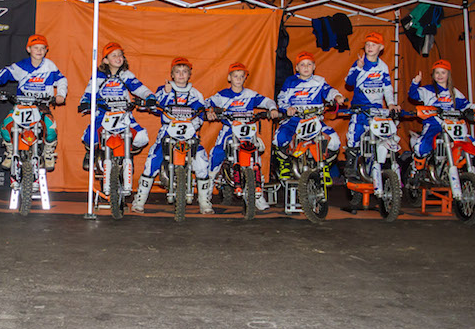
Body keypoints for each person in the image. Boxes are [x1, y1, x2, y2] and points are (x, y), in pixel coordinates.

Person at [131, 57, 213, 214]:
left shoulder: (196, 94)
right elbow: (154, 106)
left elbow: (201, 114)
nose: (181, 75)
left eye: (184, 72)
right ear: (172, 74)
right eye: (177, 72)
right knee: (153, 159)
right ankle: (140, 199)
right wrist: (163, 94)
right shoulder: (164, 90)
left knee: (202, 160)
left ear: (189, 75)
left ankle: (204, 201)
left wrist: (196, 123)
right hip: (168, 131)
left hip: (189, 133)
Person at [0, 34, 67, 171]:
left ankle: (48, 152)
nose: (39, 51)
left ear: (46, 50)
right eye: (35, 48)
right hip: (21, 105)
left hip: (41, 106)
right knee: (6, 125)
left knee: (51, 128)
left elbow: (61, 80)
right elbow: (5, 72)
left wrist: (60, 94)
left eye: (42, 48)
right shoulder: (21, 66)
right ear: (28, 49)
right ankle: (10, 150)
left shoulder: (50, 66)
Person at [207, 61, 279, 211]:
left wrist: (272, 109)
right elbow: (207, 102)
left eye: (241, 76)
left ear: (245, 77)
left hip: (248, 131)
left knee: (256, 156)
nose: (238, 79)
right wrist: (210, 111)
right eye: (235, 76)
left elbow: (268, 101)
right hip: (229, 129)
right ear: (229, 78)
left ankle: (257, 195)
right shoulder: (223, 95)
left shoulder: (250, 94)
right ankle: (207, 189)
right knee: (217, 153)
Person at [77, 41, 155, 171]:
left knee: (142, 137)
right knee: (90, 137)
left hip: (124, 114)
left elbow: (139, 88)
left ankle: (128, 152)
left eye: (120, 55)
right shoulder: (99, 75)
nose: (118, 58)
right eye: (113, 55)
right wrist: (85, 101)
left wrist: (149, 96)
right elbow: (90, 91)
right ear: (105, 60)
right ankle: (93, 152)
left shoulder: (126, 74)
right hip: (103, 114)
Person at [274, 51, 344, 178]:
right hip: (294, 120)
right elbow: (281, 98)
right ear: (296, 68)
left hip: (315, 120)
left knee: (334, 141)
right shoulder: (290, 81)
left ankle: (324, 166)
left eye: (309, 64)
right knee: (279, 137)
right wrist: (287, 108)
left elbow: (329, 91)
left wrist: (337, 96)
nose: (306, 67)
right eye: (302, 64)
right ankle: (285, 165)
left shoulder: (319, 81)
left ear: (314, 66)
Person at [343, 32, 396, 179]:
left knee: (380, 137)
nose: (370, 47)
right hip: (360, 108)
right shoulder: (359, 63)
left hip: (376, 110)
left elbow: (387, 87)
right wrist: (358, 68)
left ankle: (379, 166)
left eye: (374, 44)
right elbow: (348, 82)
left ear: (381, 47)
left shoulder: (383, 67)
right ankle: (351, 165)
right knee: (354, 134)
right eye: (367, 44)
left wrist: (391, 104)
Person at [408, 59, 475, 161]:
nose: (440, 75)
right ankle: (416, 161)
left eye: (443, 72)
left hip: (452, 125)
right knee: (422, 149)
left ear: (448, 74)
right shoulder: (428, 90)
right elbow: (413, 95)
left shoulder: (454, 92)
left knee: (473, 146)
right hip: (433, 124)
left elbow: (466, 105)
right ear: (433, 75)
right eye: (437, 72)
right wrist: (415, 82)